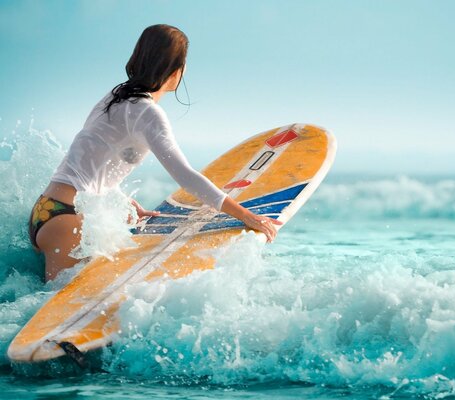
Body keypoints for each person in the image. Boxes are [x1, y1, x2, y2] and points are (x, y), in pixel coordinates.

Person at [28, 24, 282, 282]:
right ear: (175, 72)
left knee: (50, 308)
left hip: (46, 212)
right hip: (68, 223)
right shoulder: (148, 113)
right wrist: (247, 216)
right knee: (63, 315)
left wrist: (122, 201)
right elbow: (186, 177)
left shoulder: (115, 96)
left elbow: (91, 159)